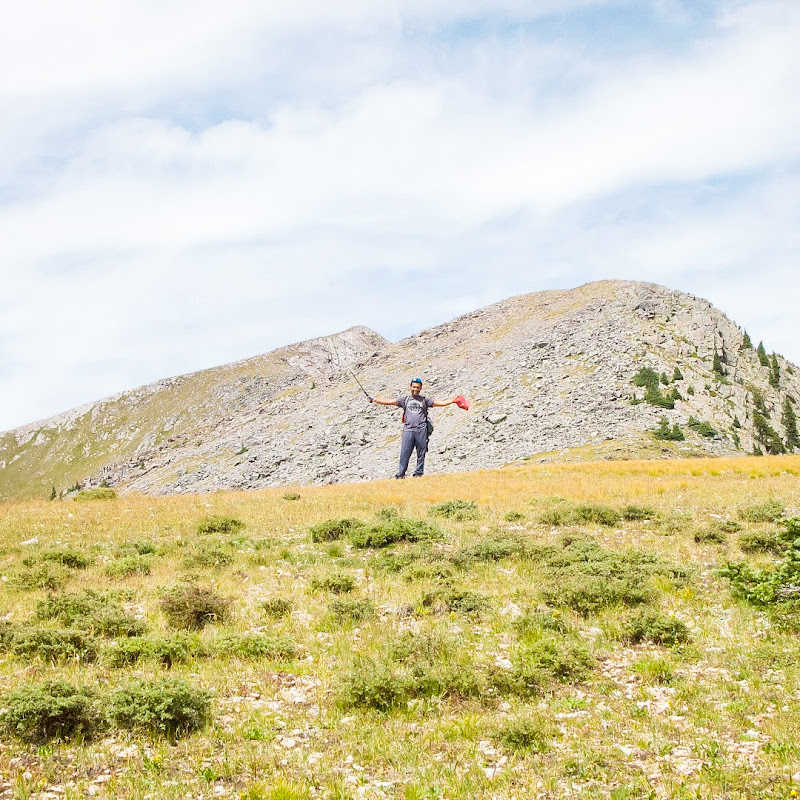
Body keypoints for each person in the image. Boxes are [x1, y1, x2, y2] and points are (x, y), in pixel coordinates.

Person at [369, 378, 460, 478]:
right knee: (405, 452)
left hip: (421, 429)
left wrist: (451, 401)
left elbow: (438, 403)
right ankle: (400, 474)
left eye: (417, 387)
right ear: (410, 387)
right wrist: (375, 400)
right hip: (408, 430)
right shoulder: (405, 399)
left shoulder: (425, 400)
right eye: (414, 387)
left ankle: (418, 474)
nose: (415, 389)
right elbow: (389, 402)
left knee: (421, 453)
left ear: (421, 388)